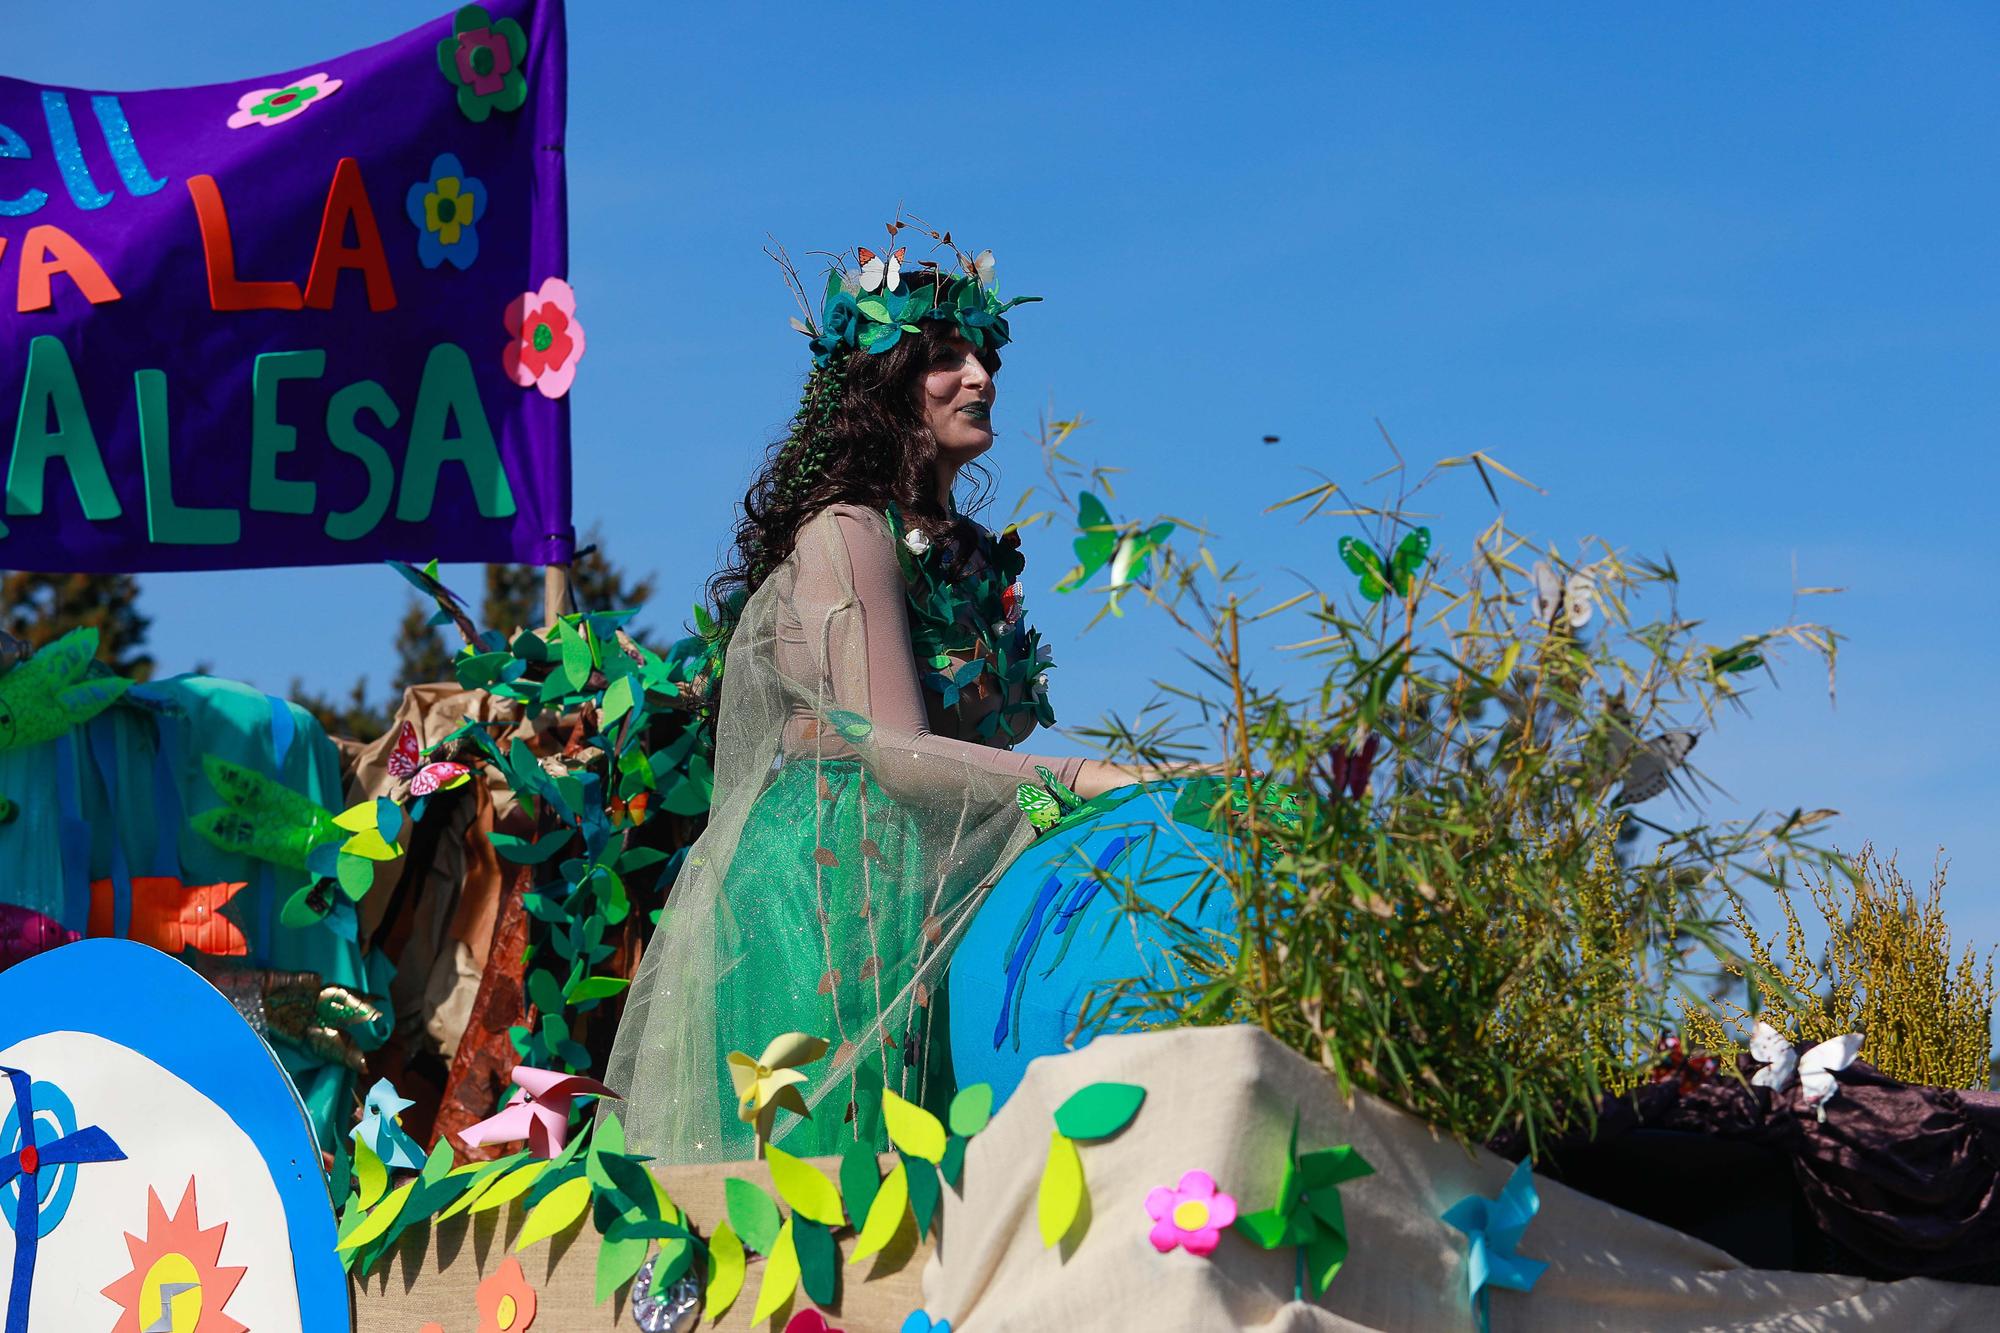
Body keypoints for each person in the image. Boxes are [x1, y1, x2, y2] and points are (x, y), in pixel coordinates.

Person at [607, 238, 1169, 1161]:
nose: (980, 376)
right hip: (835, 887)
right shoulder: (848, 528)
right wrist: (1080, 779)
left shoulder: (975, 557)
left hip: (944, 872)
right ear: (885, 380)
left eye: (983, 355)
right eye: (946, 356)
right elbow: (894, 750)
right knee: (845, 1176)